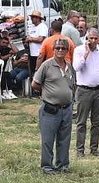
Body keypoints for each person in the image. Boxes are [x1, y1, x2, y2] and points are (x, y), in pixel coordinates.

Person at [32, 36, 76, 174]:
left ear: (67, 50)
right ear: (53, 49)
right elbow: (35, 84)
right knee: (48, 139)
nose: (60, 50)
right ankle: (47, 166)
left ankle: (63, 165)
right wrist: (48, 93)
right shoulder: (47, 65)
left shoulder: (69, 67)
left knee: (64, 138)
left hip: (66, 108)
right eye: (58, 48)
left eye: (63, 48)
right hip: (50, 108)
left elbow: (73, 85)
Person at [71, 28, 99, 159]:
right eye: (90, 38)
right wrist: (86, 54)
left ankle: (94, 148)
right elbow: (76, 67)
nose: (93, 41)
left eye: (95, 38)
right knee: (81, 121)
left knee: (96, 121)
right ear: (86, 38)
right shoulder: (79, 50)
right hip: (84, 90)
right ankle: (80, 149)